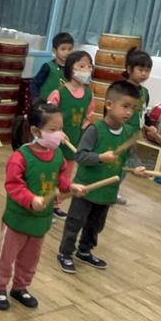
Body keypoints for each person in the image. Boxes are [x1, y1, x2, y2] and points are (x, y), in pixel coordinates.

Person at [0, 101, 82, 310]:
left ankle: (20, 287)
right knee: (7, 256)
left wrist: (70, 187)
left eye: (61, 129)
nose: (60, 134)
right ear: (35, 131)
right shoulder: (20, 157)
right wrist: (31, 199)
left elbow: (60, 178)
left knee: (30, 258)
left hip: (41, 220)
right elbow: (13, 185)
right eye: (53, 129)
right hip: (17, 219)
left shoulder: (57, 155)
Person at [56, 80, 147, 274]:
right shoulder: (95, 130)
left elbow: (131, 156)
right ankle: (65, 253)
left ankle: (85, 251)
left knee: (96, 224)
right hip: (85, 187)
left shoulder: (129, 132)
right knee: (75, 222)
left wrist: (137, 167)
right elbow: (80, 156)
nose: (129, 112)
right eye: (125, 106)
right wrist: (99, 158)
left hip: (107, 189)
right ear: (109, 105)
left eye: (133, 108)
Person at [47, 50, 96, 219]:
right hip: (54, 143)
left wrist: (86, 132)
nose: (86, 70)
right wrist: (57, 131)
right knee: (50, 174)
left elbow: (88, 116)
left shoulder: (89, 94)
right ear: (70, 69)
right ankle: (44, 205)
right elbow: (48, 115)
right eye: (81, 66)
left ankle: (56, 205)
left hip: (74, 142)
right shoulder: (59, 93)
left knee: (66, 176)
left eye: (89, 66)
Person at [117, 47, 160, 205]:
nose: (144, 74)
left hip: (133, 135)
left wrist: (150, 126)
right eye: (140, 70)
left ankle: (113, 190)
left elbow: (143, 114)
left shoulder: (144, 92)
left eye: (147, 71)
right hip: (119, 133)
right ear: (129, 69)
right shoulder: (120, 89)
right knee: (115, 163)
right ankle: (105, 189)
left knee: (124, 164)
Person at [30, 32, 74, 100]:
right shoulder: (47, 67)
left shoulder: (73, 68)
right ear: (54, 50)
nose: (67, 52)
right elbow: (35, 85)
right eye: (63, 49)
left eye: (70, 49)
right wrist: (37, 101)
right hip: (46, 104)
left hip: (64, 104)